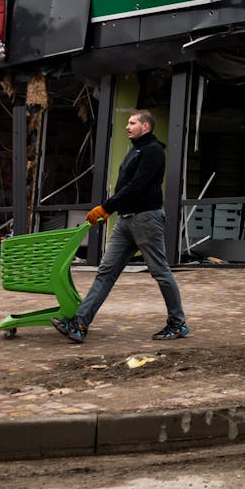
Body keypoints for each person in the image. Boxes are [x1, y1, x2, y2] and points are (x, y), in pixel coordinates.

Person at [51, 110, 189, 343]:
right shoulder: (134, 151)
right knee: (106, 272)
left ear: (146, 126)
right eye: (127, 122)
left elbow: (138, 185)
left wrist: (106, 207)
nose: (127, 127)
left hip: (146, 219)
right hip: (126, 221)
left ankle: (177, 324)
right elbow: (126, 187)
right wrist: (113, 209)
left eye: (132, 123)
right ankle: (79, 324)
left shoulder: (153, 151)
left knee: (160, 272)